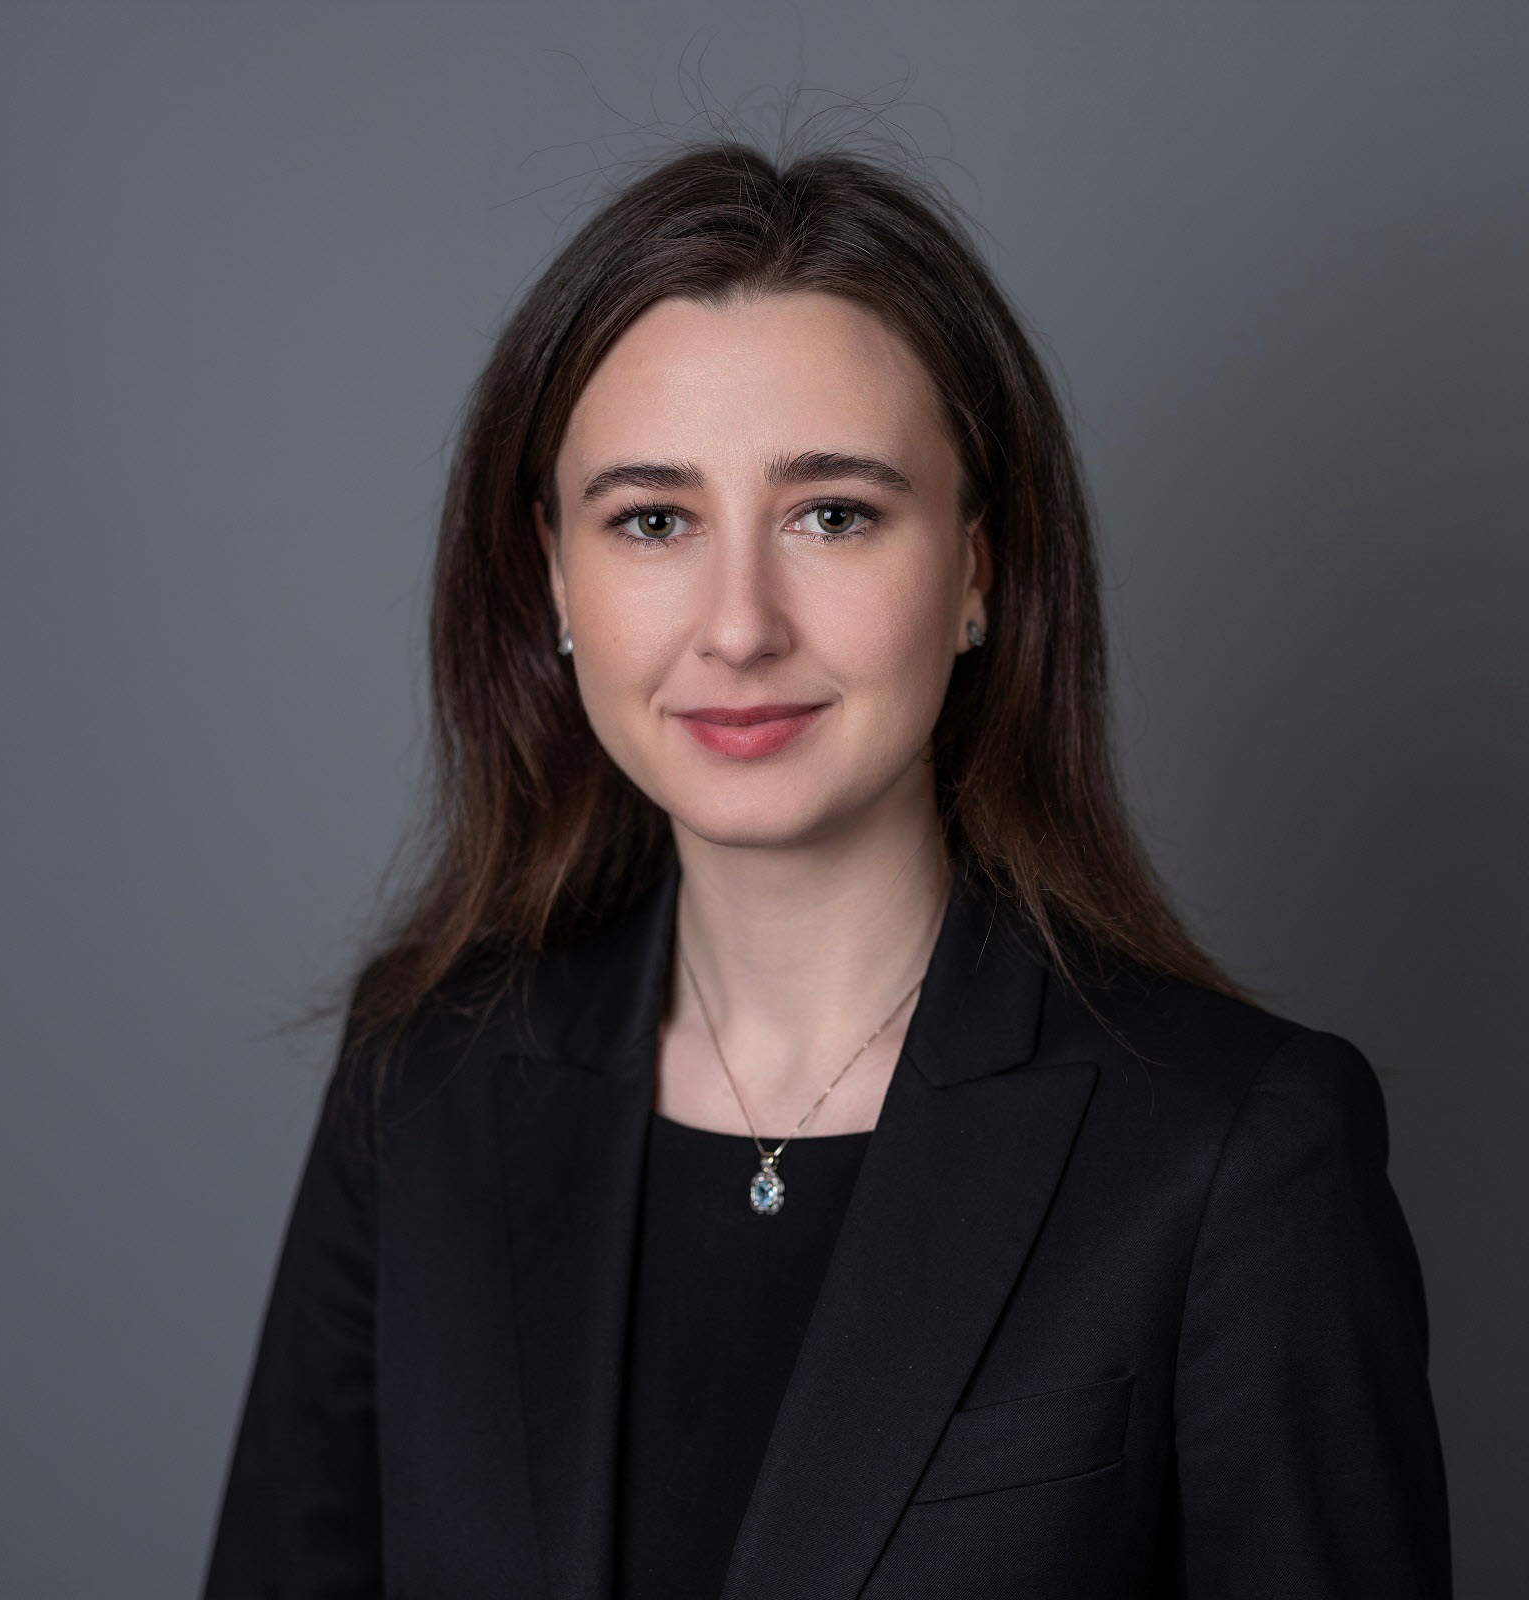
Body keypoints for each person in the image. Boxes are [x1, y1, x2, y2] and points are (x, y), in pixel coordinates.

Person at [201, 143, 1451, 1599]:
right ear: (553, 575)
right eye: (652, 519)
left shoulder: (1240, 1149)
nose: (740, 626)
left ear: (978, 569)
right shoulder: (422, 1083)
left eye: (834, 514)